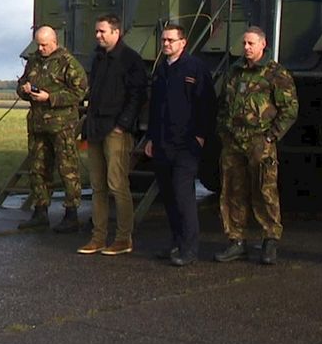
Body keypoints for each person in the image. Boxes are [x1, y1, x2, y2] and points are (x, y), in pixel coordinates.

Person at [215, 26, 298, 265]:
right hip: (233, 142)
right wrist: (224, 131)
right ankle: (236, 240)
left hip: (260, 143)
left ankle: (270, 239)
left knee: (264, 191)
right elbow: (223, 104)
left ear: (263, 44)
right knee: (233, 191)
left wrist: (271, 137)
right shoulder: (234, 72)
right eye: (244, 44)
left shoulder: (275, 74)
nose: (247, 48)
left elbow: (289, 109)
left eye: (251, 44)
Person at [77, 14, 148, 256]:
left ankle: (123, 238)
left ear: (116, 32)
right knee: (97, 186)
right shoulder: (98, 58)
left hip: (116, 130)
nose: (98, 36)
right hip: (96, 128)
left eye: (102, 31)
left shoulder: (130, 60)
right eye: (96, 31)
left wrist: (122, 125)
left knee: (117, 185)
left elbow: (137, 95)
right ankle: (97, 237)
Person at [144, 23, 215, 267]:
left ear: (183, 42)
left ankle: (189, 248)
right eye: (164, 40)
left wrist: (200, 136)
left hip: (186, 144)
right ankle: (175, 242)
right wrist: (151, 138)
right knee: (169, 196)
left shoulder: (194, 68)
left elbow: (207, 104)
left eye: (171, 40)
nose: (166, 44)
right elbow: (155, 108)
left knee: (183, 195)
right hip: (163, 143)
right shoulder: (161, 70)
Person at [16, 26, 89, 231]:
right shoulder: (34, 61)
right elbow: (22, 83)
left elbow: (79, 92)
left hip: (62, 125)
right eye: (38, 44)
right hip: (38, 124)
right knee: (38, 168)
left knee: (67, 169)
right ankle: (40, 211)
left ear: (54, 42)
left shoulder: (68, 63)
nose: (41, 48)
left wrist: (51, 98)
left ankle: (71, 214)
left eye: (45, 45)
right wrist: (24, 90)